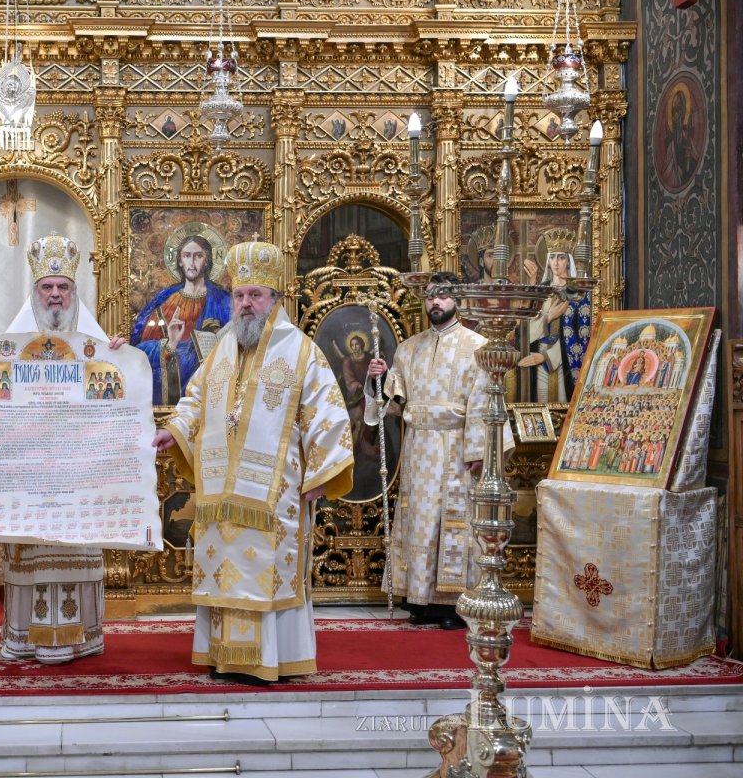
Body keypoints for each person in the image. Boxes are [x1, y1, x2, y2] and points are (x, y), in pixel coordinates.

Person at [153, 240, 354, 685]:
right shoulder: (223, 349)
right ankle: (223, 656)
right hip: (221, 493)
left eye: (255, 296)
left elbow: (329, 413)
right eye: (240, 295)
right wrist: (177, 429)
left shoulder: (302, 352)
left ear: (275, 300)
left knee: (266, 569)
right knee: (225, 568)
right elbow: (196, 398)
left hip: (275, 496)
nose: (245, 304)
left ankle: (271, 660)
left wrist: (323, 471)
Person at [0, 234, 127, 664]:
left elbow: (115, 408)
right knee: (31, 549)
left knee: (73, 548)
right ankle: (24, 638)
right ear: (34, 292)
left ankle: (78, 636)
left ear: (74, 292)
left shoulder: (95, 343)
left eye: (63, 287)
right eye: (47, 287)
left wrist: (123, 367)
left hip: (78, 476)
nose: (55, 295)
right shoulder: (9, 348)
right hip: (29, 474)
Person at [365, 272, 514, 630]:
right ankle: (418, 600)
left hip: (457, 448)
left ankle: (452, 604)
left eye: (444, 295)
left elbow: (485, 403)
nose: (436, 302)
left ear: (457, 300)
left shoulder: (478, 346)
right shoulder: (409, 347)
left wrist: (480, 450)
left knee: (452, 524)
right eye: (431, 295)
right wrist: (376, 378)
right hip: (419, 447)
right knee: (420, 521)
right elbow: (394, 401)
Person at [132, 234, 232, 405]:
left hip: (214, 391)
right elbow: (139, 353)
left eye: (198, 255)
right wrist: (170, 345)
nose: (192, 262)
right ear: (179, 261)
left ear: (207, 260)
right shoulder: (165, 301)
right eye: (186, 256)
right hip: (173, 394)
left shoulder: (224, 301)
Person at [519, 246, 591, 403]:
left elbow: (580, 338)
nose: (556, 263)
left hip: (562, 360)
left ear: (568, 261)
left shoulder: (577, 293)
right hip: (539, 354)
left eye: (561, 257)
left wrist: (546, 357)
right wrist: (548, 317)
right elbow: (528, 333)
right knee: (541, 401)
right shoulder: (542, 291)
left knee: (562, 401)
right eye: (552, 257)